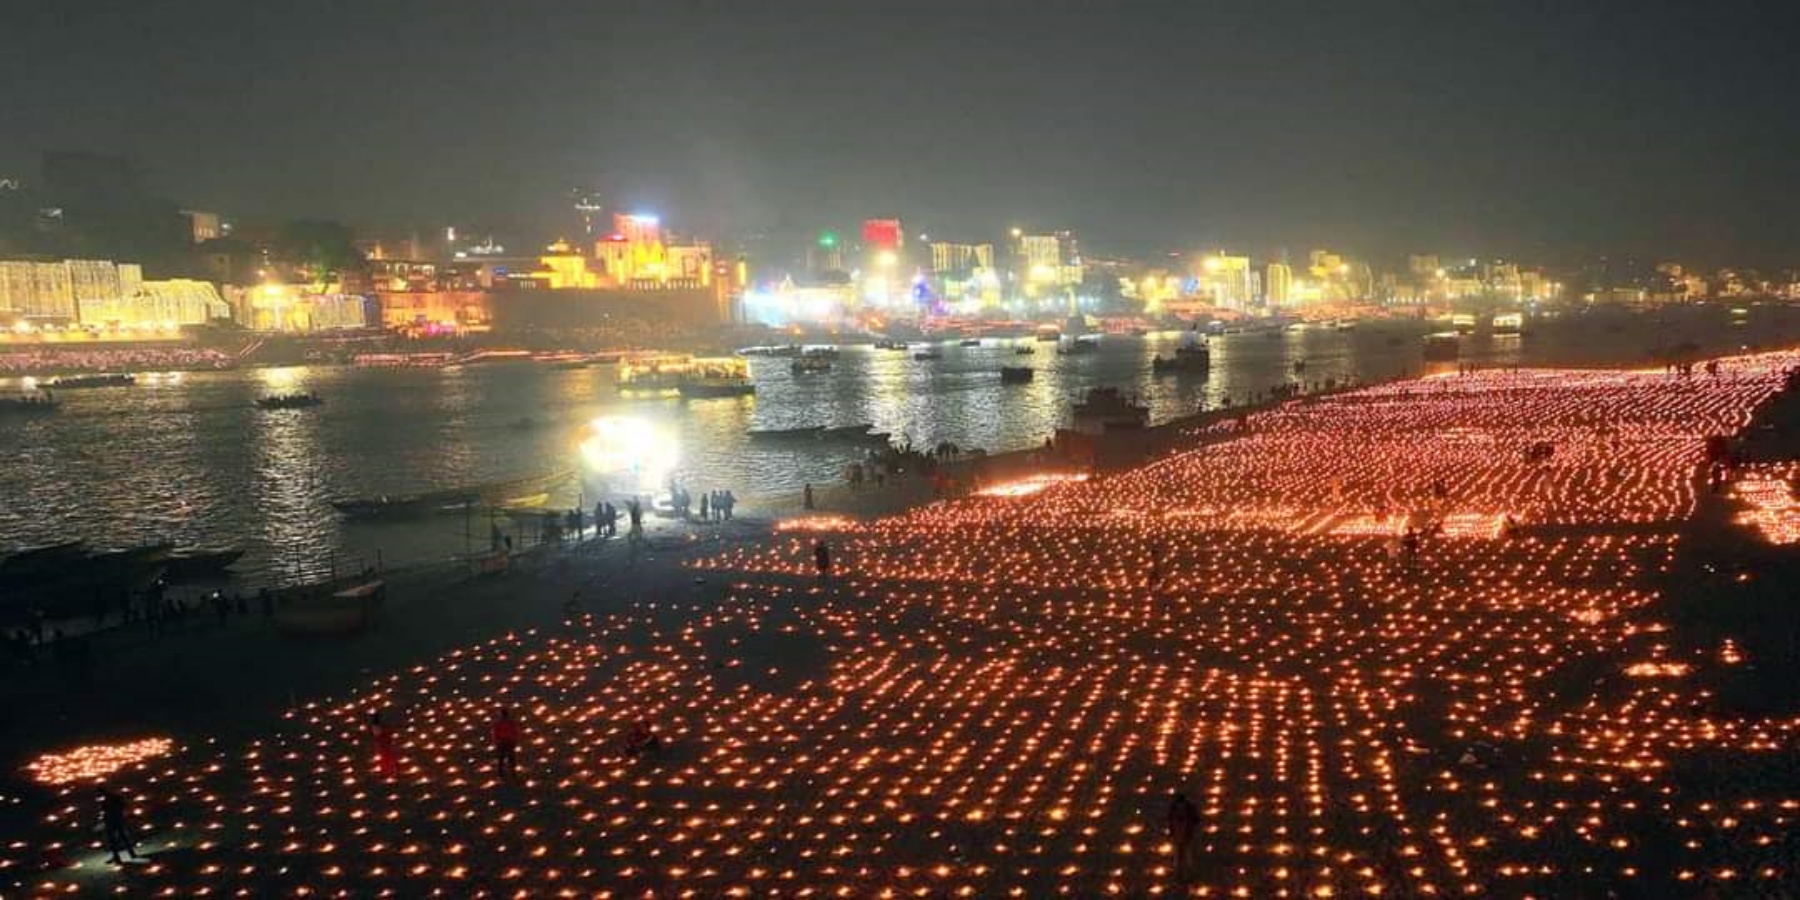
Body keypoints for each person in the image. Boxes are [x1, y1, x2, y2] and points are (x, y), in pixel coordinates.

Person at [99, 787, 139, 864]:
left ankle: (120, 857)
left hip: (114, 820)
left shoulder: (110, 799)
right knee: (121, 838)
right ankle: (129, 854)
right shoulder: (112, 798)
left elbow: (119, 807)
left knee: (115, 839)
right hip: (115, 820)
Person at [1167, 791, 1199, 881]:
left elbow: (1196, 819)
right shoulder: (1175, 808)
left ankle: (1188, 874)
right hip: (1178, 835)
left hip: (1186, 834)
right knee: (1178, 855)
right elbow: (1170, 820)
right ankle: (1178, 874)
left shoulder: (1189, 808)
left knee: (1186, 854)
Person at [493, 706, 521, 779]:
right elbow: (515, 732)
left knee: (505, 758)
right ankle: (506, 772)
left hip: (506, 742)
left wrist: (496, 741)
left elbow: (495, 733)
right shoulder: (508, 723)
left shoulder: (501, 723)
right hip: (505, 742)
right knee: (506, 758)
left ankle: (506, 772)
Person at [370, 711, 400, 779]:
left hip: (384, 744)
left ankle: (376, 719)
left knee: (387, 758)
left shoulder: (381, 734)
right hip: (384, 744)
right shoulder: (380, 734)